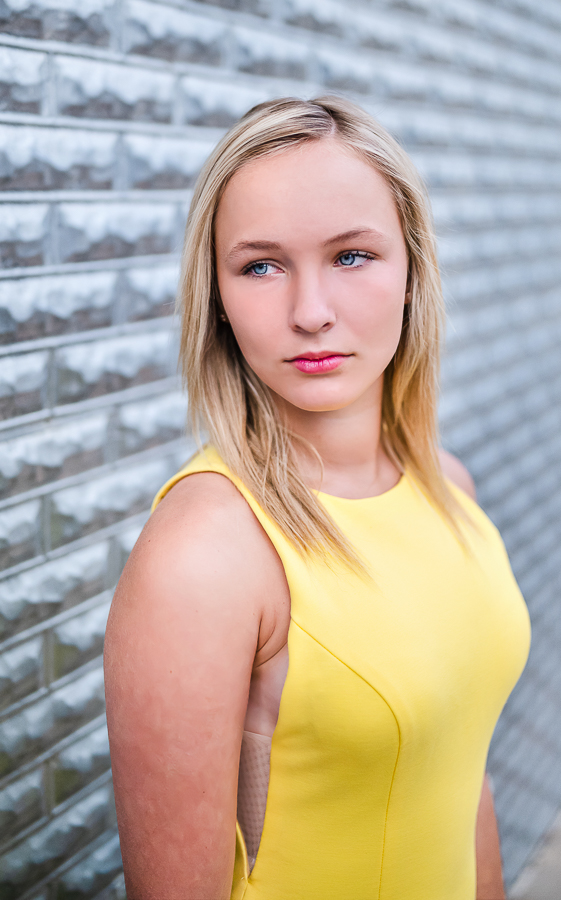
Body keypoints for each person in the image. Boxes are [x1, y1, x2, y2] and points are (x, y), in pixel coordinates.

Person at [103, 96, 531, 900]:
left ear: (413, 271)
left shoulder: (449, 488)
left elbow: (461, 773)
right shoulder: (206, 553)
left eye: (352, 256)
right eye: (261, 266)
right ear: (217, 297)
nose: (310, 313)